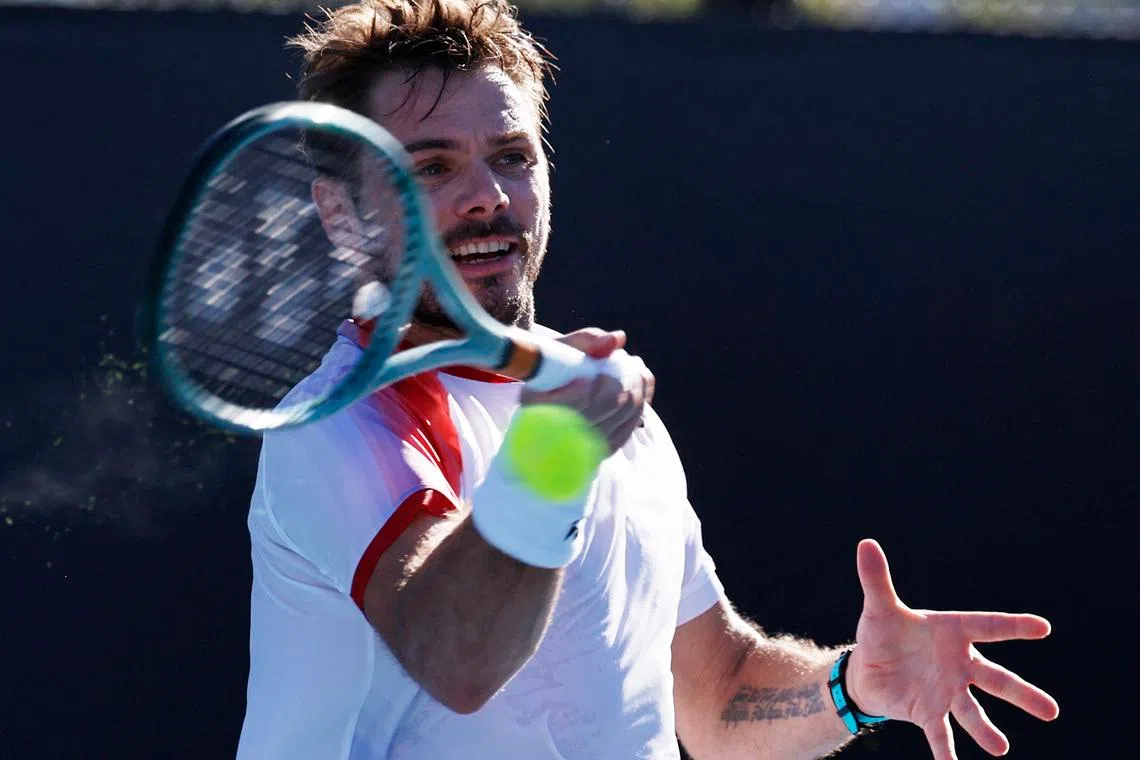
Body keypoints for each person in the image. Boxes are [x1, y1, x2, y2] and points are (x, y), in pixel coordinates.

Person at [237, 1, 1060, 758]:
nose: (488, 196)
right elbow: (458, 661)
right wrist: (558, 450)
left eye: (512, 157)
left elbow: (715, 695)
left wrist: (853, 688)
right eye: (432, 169)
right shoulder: (337, 423)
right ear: (342, 216)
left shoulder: (604, 412)